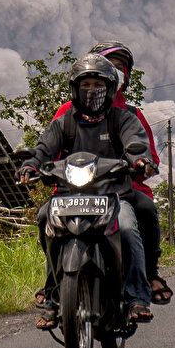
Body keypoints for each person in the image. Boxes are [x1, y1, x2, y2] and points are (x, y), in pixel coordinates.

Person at [18, 53, 153, 329]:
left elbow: (136, 143)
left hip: (114, 196)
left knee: (127, 227)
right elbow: (44, 148)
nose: (92, 91)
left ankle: (137, 295)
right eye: (86, 85)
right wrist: (31, 166)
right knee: (46, 219)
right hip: (70, 197)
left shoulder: (122, 120)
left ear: (110, 89)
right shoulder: (64, 122)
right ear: (75, 89)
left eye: (98, 85)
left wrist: (139, 159)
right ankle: (54, 295)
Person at [51, 41, 173, 306]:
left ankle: (148, 276)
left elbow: (148, 155)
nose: (115, 72)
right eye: (109, 66)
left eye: (120, 68)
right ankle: (53, 288)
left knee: (141, 217)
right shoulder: (67, 113)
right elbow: (50, 150)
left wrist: (141, 164)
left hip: (123, 191)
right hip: (75, 192)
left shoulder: (130, 115)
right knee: (49, 225)